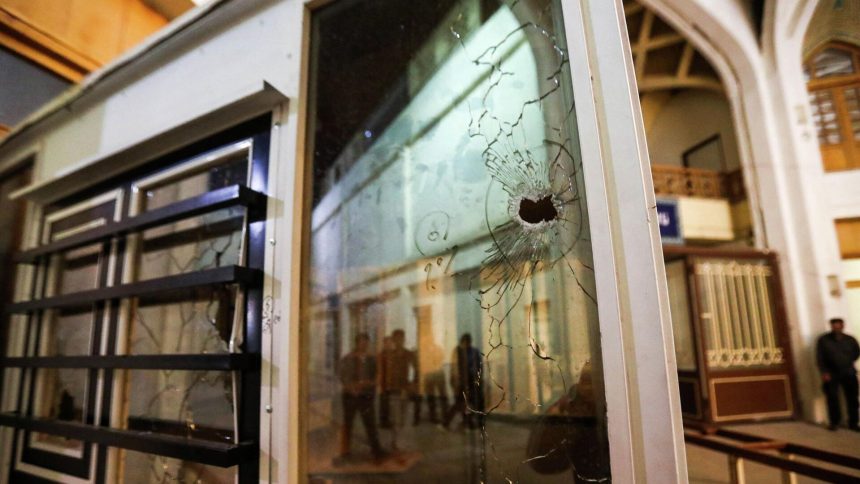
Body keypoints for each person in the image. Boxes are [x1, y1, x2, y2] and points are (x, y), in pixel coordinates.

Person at [337, 333, 387, 463]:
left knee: (370, 423)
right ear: (357, 343)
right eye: (361, 342)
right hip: (350, 396)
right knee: (348, 423)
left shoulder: (372, 359)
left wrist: (368, 385)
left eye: (366, 343)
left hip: (366, 396)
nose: (364, 345)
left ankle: (376, 450)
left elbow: (376, 376)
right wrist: (351, 388)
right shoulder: (347, 358)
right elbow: (342, 375)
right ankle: (345, 451)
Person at [817, 317, 860, 431]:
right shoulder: (823, 340)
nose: (836, 328)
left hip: (849, 372)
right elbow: (820, 357)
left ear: (842, 326)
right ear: (831, 326)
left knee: (852, 398)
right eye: (834, 326)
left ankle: (853, 423)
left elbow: (856, 353)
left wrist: (847, 362)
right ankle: (834, 422)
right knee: (832, 398)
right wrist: (824, 372)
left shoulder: (850, 339)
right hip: (831, 373)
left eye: (838, 326)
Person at [378, 329, 417, 450]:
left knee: (403, 416)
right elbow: (386, 372)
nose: (399, 341)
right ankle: (396, 441)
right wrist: (385, 387)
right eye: (397, 339)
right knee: (395, 417)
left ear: (403, 339)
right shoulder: (390, 355)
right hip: (393, 390)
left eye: (401, 338)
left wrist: (411, 386)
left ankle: (397, 440)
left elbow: (415, 370)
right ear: (394, 340)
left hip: (405, 389)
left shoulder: (409, 354)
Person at [443, 333, 483, 430]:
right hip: (461, 382)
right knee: (460, 403)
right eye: (465, 342)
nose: (465, 345)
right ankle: (448, 423)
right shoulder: (459, 351)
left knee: (465, 403)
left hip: (467, 381)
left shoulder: (469, 351)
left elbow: (477, 366)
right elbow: (456, 369)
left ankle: (467, 422)